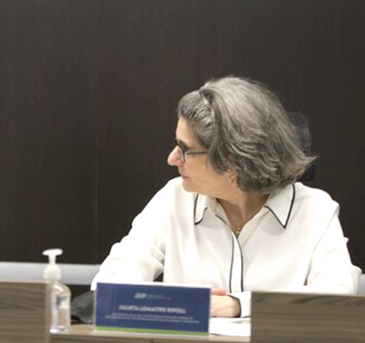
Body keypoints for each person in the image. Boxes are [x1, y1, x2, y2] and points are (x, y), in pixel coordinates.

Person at [92, 76, 360, 317]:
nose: (172, 159)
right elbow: (111, 280)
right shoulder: (174, 199)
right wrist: (173, 304)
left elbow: (336, 295)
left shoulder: (314, 210)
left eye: (185, 149)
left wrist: (237, 305)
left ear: (233, 160)